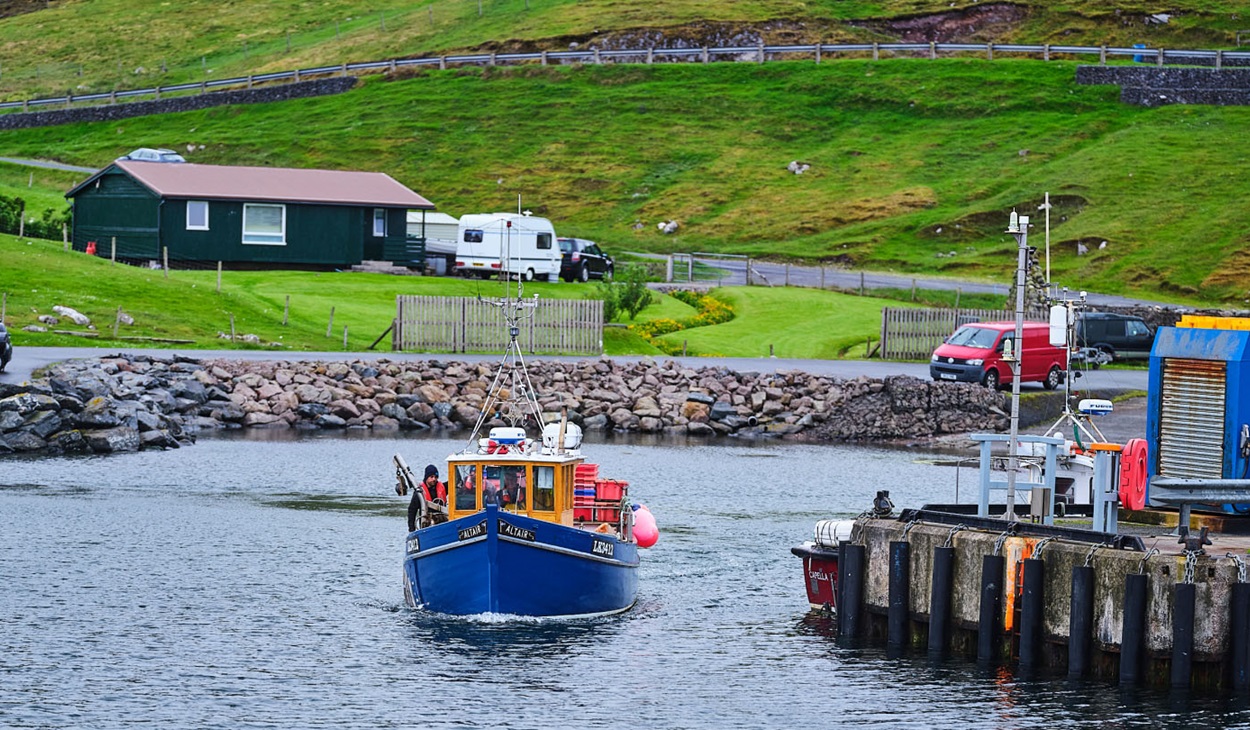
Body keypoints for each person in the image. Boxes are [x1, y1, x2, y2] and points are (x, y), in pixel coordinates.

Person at [408, 464, 447, 532]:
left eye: (436, 477)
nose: (434, 479)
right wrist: (412, 529)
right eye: (431, 477)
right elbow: (412, 511)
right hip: (427, 524)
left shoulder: (442, 487)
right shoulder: (420, 493)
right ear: (426, 477)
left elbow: (455, 481)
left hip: (441, 522)